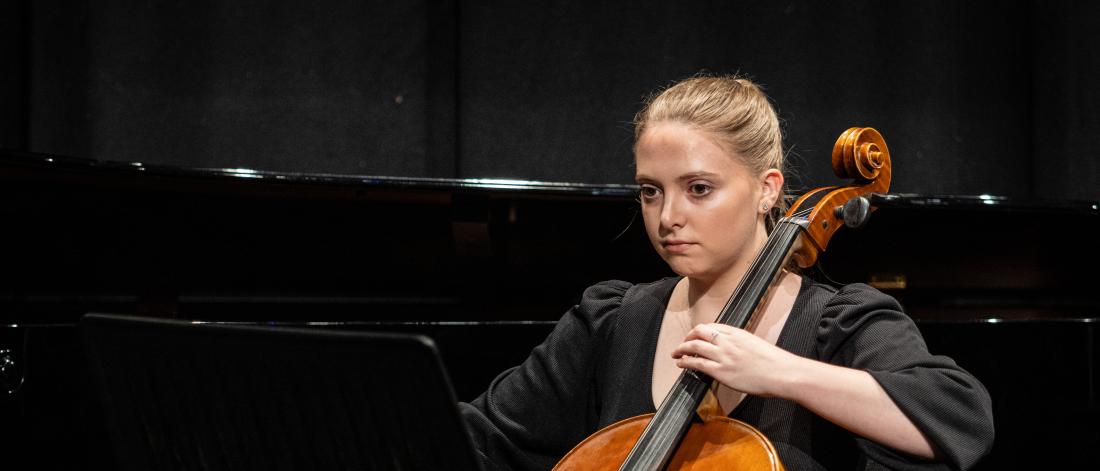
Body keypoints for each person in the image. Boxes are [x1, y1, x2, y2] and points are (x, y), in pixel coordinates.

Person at [459, 75, 994, 470]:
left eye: (698, 189)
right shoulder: (612, 320)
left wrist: (780, 372)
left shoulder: (838, 322)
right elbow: (480, 438)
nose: (668, 217)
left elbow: (958, 418)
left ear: (766, 188)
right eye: (650, 191)